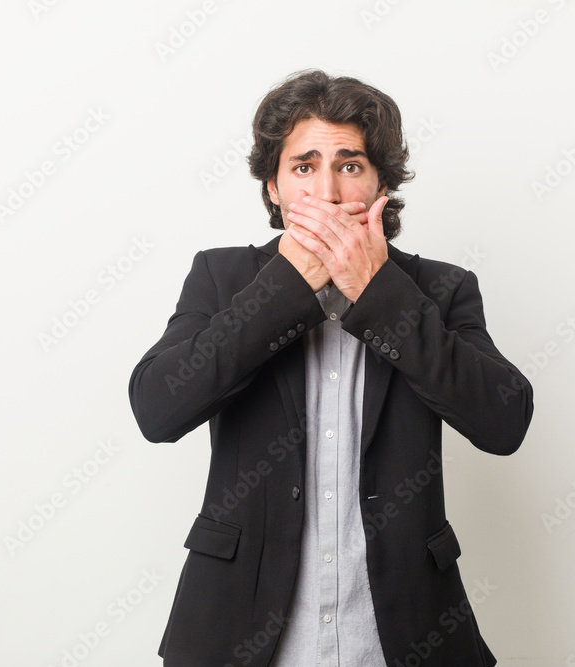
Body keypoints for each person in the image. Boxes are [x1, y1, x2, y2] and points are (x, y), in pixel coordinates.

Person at [128, 69, 534, 667]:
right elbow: (157, 409)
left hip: (404, 637)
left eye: (349, 165)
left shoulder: (440, 288)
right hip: (238, 636)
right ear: (273, 187)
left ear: (380, 184)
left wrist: (380, 294)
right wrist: (286, 290)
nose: (328, 191)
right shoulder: (221, 276)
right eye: (303, 167)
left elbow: (504, 421)